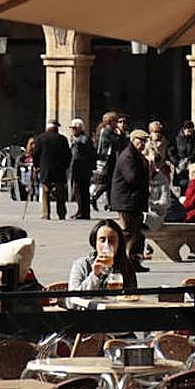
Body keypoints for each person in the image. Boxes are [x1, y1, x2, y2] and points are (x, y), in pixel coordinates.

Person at [110, 128, 151, 273]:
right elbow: (132, 178)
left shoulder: (136, 155)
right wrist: (146, 163)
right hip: (126, 201)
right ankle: (119, 261)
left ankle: (133, 261)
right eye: (141, 141)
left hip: (134, 201)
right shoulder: (128, 156)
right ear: (133, 140)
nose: (144, 144)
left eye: (145, 141)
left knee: (137, 233)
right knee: (128, 232)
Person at [66, 219, 137, 299]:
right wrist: (95, 275)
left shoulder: (125, 265)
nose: (106, 245)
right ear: (95, 243)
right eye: (102, 240)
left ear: (119, 244)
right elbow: (72, 301)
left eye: (111, 241)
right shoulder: (82, 265)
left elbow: (132, 297)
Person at [34, 119, 72, 221]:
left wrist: (36, 166)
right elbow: (68, 155)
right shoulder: (62, 139)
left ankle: (46, 213)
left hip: (45, 170)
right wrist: (65, 166)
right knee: (60, 193)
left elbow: (36, 153)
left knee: (45, 192)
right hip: (59, 170)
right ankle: (61, 213)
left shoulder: (41, 138)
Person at [90, 111, 119, 210]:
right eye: (116, 121)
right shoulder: (107, 131)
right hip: (107, 159)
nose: (117, 123)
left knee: (110, 181)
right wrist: (119, 135)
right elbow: (113, 143)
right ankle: (95, 197)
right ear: (111, 121)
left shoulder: (107, 130)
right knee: (107, 182)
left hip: (109, 158)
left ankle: (111, 203)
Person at [69, 117, 95, 219]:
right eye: (71, 128)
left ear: (80, 128)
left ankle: (82, 212)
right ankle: (81, 210)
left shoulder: (82, 139)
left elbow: (84, 153)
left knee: (81, 191)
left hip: (81, 169)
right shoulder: (79, 139)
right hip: (80, 169)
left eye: (74, 128)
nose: (72, 130)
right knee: (80, 191)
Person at [172, 120, 195, 192]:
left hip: (193, 168)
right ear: (183, 129)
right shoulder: (176, 140)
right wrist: (177, 162)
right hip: (181, 169)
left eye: (191, 128)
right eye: (187, 128)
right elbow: (171, 153)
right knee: (182, 187)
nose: (189, 130)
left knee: (194, 188)